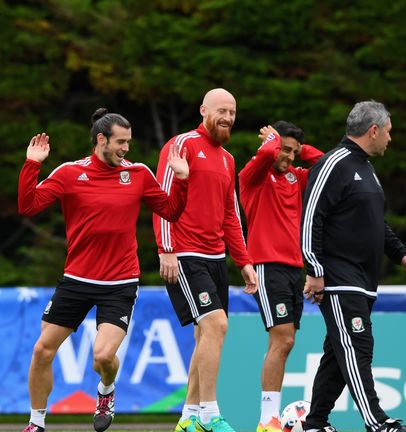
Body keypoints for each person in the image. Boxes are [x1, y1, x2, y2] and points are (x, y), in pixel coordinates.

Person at [18, 109, 190, 432]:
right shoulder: (70, 173)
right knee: (42, 350)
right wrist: (32, 165)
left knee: (102, 357)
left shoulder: (138, 174)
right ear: (101, 140)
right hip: (76, 280)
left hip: (120, 283)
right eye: (120, 142)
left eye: (128, 142)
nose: (126, 149)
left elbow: (171, 211)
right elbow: (28, 205)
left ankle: (106, 391)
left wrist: (182, 179)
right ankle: (36, 423)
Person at [301, 101, 406, 432]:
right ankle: (377, 422)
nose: (390, 139)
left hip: (363, 280)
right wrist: (314, 269)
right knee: (357, 347)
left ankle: (314, 423)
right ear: (373, 130)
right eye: (388, 132)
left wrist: (401, 254)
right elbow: (311, 217)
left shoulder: (366, 168)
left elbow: (374, 222)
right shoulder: (334, 163)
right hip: (339, 280)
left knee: (338, 355)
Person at [153, 88, 258, 432]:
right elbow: (161, 199)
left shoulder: (228, 159)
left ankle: (188, 418)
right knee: (217, 325)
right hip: (185, 253)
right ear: (203, 110)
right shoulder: (180, 145)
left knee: (206, 334)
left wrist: (243, 261)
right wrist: (166, 248)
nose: (227, 117)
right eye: (221, 111)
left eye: (232, 111)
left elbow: (231, 214)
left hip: (216, 257)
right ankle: (211, 414)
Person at [238, 121, 324, 432]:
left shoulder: (295, 178)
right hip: (266, 265)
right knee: (282, 338)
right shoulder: (254, 176)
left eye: (293, 152)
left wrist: (299, 149)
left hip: (293, 268)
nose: (287, 156)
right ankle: (267, 420)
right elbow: (264, 158)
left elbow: (325, 165)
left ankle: (269, 418)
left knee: (286, 342)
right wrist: (273, 143)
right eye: (283, 150)